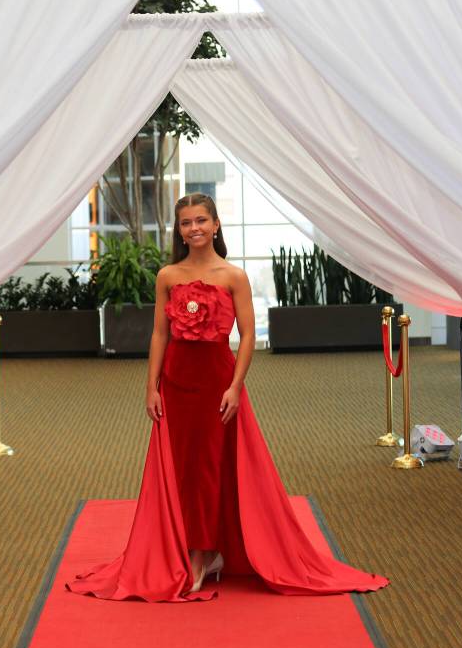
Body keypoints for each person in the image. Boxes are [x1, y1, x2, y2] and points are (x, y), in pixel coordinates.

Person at [67, 193, 388, 602]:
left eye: (201, 220)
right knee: (181, 467)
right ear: (179, 230)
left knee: (213, 467)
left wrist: (236, 386)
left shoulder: (233, 276)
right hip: (176, 382)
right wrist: (150, 385)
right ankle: (189, 547)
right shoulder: (167, 274)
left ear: (216, 225)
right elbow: (160, 333)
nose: (194, 228)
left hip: (218, 382)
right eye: (186, 222)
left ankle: (203, 554)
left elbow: (249, 334)